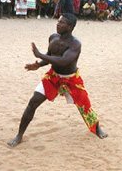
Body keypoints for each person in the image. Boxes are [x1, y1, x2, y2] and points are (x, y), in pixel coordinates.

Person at [8, 14, 107, 148]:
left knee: (85, 106)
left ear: (70, 27)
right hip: (53, 76)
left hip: (71, 79)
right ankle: (19, 135)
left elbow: (64, 61)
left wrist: (39, 55)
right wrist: (38, 64)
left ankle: (96, 128)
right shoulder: (53, 37)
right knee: (33, 102)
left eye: (62, 23)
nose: (58, 24)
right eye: (58, 21)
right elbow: (50, 57)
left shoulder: (75, 44)